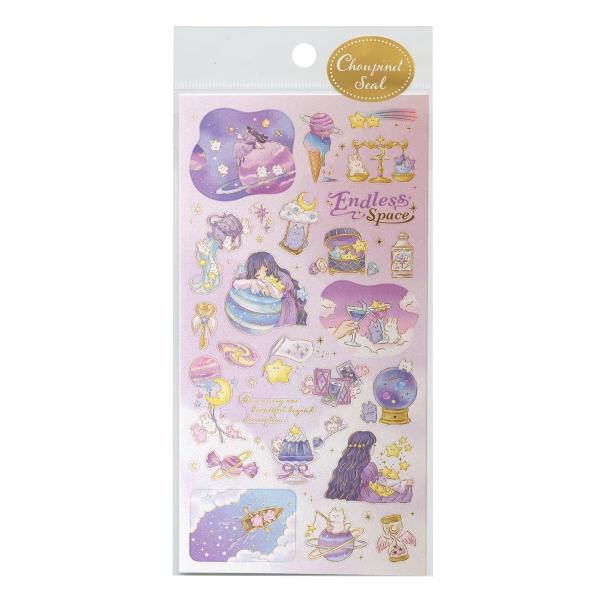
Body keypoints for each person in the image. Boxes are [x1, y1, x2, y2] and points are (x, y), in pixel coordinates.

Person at [325, 431, 413, 503]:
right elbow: (384, 481)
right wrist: (404, 484)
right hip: (365, 497)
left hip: (352, 497)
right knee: (390, 499)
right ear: (367, 448)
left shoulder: (344, 466)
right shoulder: (369, 468)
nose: (374, 447)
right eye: (373, 445)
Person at [233, 252, 307, 326]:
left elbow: (278, 294)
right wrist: (257, 284)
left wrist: (266, 285)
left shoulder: (281, 278)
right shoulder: (252, 277)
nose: (258, 273)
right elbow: (236, 283)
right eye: (256, 270)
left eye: (265, 270)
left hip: (282, 306)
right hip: (260, 307)